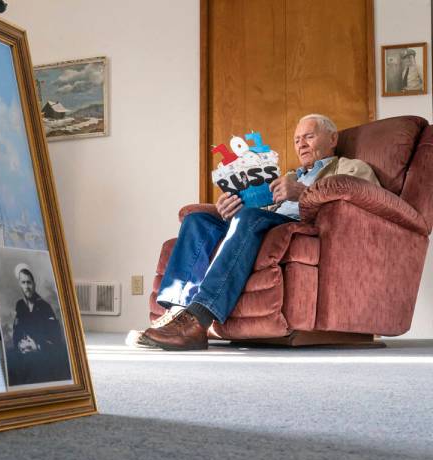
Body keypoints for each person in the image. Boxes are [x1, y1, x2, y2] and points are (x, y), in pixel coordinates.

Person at [140, 114, 380, 350]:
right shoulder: (288, 176)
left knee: (249, 218)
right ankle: (174, 315)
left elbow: (359, 199)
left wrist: (303, 192)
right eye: (297, 140)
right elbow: (258, 210)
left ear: (332, 138)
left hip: (296, 224)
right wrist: (229, 210)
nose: (301, 145)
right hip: (260, 220)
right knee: (198, 220)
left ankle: (198, 319)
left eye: (309, 136)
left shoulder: (351, 167)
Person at [6, 263, 70, 385]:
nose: (26, 286)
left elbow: (56, 340)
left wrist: (37, 346)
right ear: (20, 284)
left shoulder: (45, 307)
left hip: (43, 354)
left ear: (34, 284)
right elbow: (17, 331)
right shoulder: (19, 305)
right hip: (25, 353)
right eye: (23, 283)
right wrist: (20, 344)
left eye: (29, 282)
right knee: (10, 362)